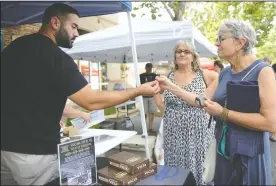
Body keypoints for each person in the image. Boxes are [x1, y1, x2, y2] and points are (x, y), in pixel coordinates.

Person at [1, 3, 159, 185]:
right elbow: (90, 101)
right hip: (34, 155)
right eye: (74, 26)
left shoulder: (14, 47)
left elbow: (31, 95)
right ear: (55, 22)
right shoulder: (55, 57)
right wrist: (138, 91)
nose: (76, 33)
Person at [156, 20, 276, 185]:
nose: (217, 43)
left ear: (240, 42)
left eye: (221, 39)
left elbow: (271, 124)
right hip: (223, 151)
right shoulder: (225, 72)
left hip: (248, 156)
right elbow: (200, 100)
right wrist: (171, 87)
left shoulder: (262, 71)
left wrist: (223, 113)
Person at [153, 40, 218, 185]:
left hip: (198, 134)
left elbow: (211, 91)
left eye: (186, 51)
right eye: (179, 51)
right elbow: (156, 93)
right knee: (175, 171)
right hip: (173, 134)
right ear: (175, 56)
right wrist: (164, 109)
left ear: (194, 56)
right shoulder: (168, 76)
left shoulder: (204, 75)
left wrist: (207, 98)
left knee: (199, 169)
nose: (182, 53)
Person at [140, 63, 158, 134]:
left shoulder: (154, 76)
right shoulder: (141, 76)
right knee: (144, 113)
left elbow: (157, 84)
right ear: (145, 68)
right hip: (144, 96)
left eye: (150, 67)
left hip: (152, 96)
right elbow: (138, 85)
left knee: (152, 112)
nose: (149, 69)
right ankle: (144, 128)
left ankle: (151, 127)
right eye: (148, 67)